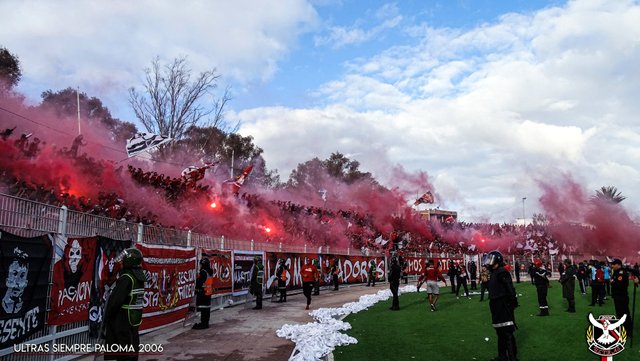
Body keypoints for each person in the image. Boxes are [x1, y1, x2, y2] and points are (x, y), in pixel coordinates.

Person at [103, 248, 145, 361]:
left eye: (123, 259)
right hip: (133, 320)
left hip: (121, 321)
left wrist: (106, 316)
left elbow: (115, 301)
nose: (121, 262)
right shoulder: (139, 277)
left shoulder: (127, 278)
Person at [484, 251, 518, 361]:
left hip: (503, 305)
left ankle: (512, 358)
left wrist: (511, 302)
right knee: (499, 332)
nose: (488, 262)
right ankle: (502, 356)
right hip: (495, 305)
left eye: (490, 259)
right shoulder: (494, 272)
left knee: (507, 333)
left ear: (496, 260)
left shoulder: (502, 272)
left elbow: (510, 289)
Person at [611, 258, 638, 338]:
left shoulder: (621, 273)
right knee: (620, 314)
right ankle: (623, 329)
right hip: (618, 296)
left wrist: (612, 282)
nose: (612, 266)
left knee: (623, 314)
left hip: (621, 296)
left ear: (618, 265)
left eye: (614, 264)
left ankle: (627, 330)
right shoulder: (617, 272)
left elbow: (620, 285)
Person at [193, 257, 213, 329]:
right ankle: (206, 323)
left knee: (203, 309)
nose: (200, 266)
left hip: (203, 293)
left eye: (200, 264)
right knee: (207, 309)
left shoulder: (203, 272)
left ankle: (203, 323)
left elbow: (199, 283)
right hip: (208, 293)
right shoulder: (210, 271)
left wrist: (196, 285)